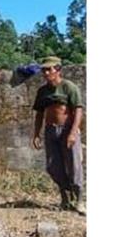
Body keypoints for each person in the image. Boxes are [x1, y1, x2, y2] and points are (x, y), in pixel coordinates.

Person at [31, 56, 85, 214]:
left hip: (67, 130)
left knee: (74, 166)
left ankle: (79, 201)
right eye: (44, 70)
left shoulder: (69, 87)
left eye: (49, 69)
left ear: (58, 69)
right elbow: (40, 113)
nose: (46, 72)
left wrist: (73, 133)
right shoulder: (42, 91)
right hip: (50, 131)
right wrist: (36, 134)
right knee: (53, 167)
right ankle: (66, 197)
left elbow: (78, 111)